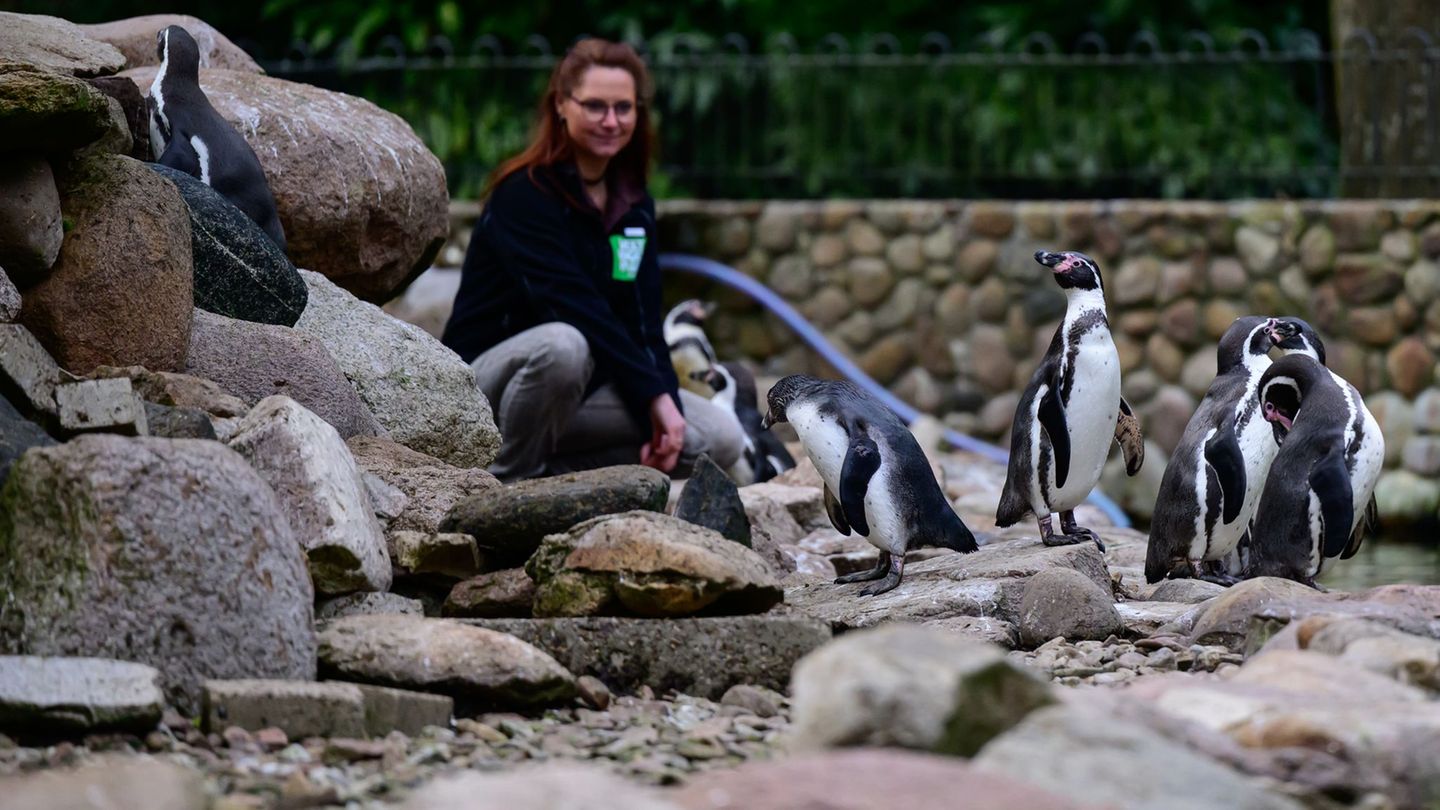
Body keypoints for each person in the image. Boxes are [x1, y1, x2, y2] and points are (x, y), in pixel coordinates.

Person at [442, 38, 744, 482]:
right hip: (488, 387)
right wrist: (651, 397)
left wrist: (666, 408)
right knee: (565, 345)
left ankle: (556, 479)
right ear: (562, 105)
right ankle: (505, 483)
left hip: (578, 392)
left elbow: (642, 321)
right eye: (595, 106)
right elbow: (575, 305)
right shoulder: (524, 195)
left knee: (719, 438)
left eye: (623, 108)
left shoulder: (634, 205)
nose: (611, 121)